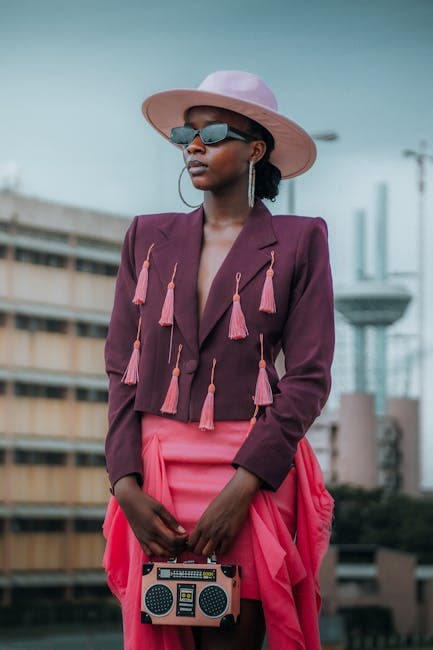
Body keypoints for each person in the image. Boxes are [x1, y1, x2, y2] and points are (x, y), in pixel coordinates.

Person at [103, 70, 335, 650]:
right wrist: (123, 483)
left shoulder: (301, 240)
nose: (196, 147)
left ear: (256, 149)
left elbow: (308, 378)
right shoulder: (146, 237)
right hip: (157, 474)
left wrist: (245, 487)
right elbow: (119, 368)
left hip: (250, 471)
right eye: (189, 135)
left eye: (216, 134)